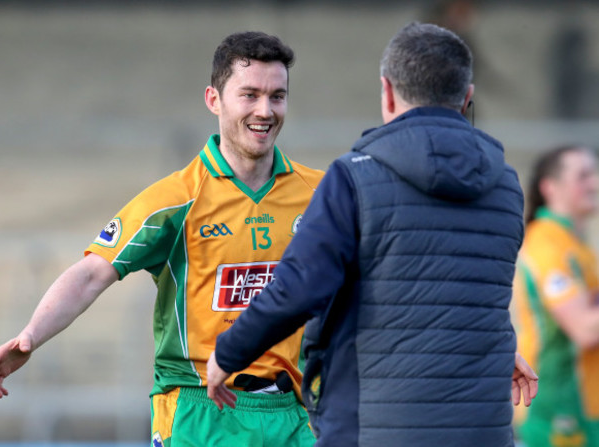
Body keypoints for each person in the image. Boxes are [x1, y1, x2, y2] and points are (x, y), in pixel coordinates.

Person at [207, 22, 537, 447]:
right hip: (484, 430)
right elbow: (461, 291)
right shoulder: (506, 186)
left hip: (374, 429)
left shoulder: (355, 178)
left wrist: (229, 352)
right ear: (468, 97)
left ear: (386, 92)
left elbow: (299, 289)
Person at [0, 32, 322, 447]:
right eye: (249, 95)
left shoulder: (321, 195)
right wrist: (31, 336)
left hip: (295, 415)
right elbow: (92, 272)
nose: (265, 110)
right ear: (214, 100)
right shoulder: (174, 199)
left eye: (277, 96)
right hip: (199, 413)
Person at [512, 145, 599, 447]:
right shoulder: (545, 244)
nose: (596, 183)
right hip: (554, 418)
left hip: (588, 414)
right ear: (550, 188)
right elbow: (586, 330)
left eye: (595, 174)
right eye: (583, 175)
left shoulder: (579, 249)